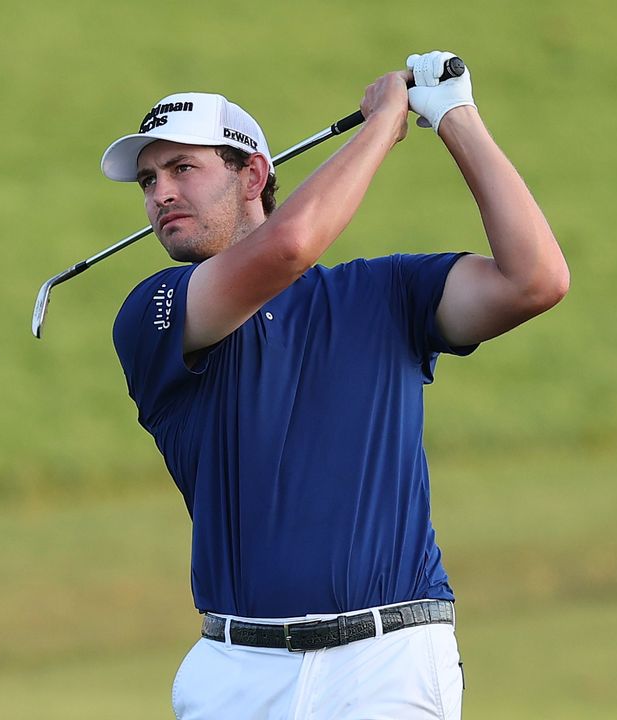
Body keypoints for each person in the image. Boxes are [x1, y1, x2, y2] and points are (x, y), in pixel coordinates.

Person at [104, 51, 568, 719]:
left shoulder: (386, 293)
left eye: (182, 168)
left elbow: (537, 280)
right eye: (148, 180)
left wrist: (454, 116)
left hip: (389, 661)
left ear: (253, 175)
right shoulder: (155, 313)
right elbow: (291, 248)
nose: (160, 194)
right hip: (238, 671)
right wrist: (382, 123)